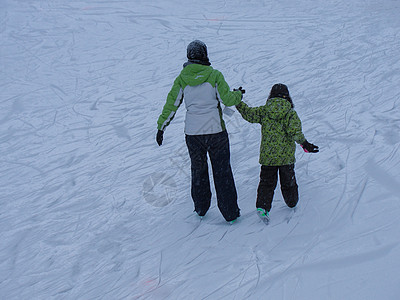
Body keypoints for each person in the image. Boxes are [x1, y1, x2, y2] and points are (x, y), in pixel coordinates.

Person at [156, 40, 244, 223]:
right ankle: (230, 213)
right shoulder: (214, 75)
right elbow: (227, 100)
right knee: (222, 171)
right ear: (204, 54)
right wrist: (239, 94)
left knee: (198, 170)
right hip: (216, 132)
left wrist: (161, 127)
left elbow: (171, 105)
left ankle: (201, 208)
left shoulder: (182, 79)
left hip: (193, 135)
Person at [235, 83, 318, 220]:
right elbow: (295, 132)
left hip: (268, 158)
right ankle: (292, 202)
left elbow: (249, 114)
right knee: (288, 182)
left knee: (266, 183)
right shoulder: (290, 113)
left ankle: (262, 207)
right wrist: (305, 144)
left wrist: (238, 101)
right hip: (286, 158)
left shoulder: (264, 111)